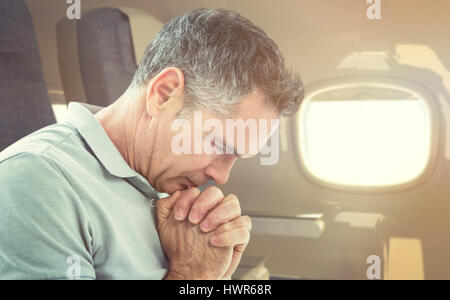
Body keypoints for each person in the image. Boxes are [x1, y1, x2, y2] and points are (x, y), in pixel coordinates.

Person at [0, 8, 303, 279]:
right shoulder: (36, 180)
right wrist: (193, 275)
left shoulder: (165, 181)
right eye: (220, 146)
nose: (222, 177)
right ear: (164, 93)